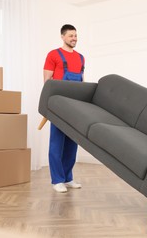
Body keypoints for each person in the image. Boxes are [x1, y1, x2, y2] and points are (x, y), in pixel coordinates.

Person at [43, 24, 85, 193]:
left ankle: (68, 178)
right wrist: (48, 105)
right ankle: (57, 180)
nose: (74, 38)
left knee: (72, 143)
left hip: (75, 106)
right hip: (58, 105)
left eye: (75, 35)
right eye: (70, 36)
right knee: (57, 143)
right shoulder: (53, 55)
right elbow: (47, 82)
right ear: (62, 37)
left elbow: (82, 82)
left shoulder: (81, 57)